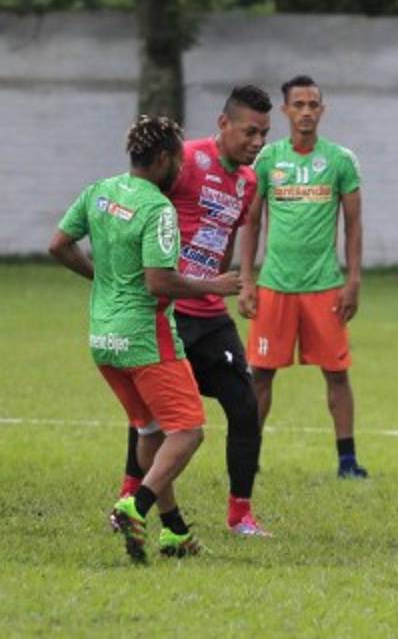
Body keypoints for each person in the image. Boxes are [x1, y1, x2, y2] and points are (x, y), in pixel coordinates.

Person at [48, 115, 241, 562]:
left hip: (103, 339)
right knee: (189, 432)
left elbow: (58, 244)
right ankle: (136, 505)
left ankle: (173, 532)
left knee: (151, 428)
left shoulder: (99, 191)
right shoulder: (158, 209)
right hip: (145, 338)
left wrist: (103, 280)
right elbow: (159, 282)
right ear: (162, 160)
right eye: (177, 159)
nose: (182, 168)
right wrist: (213, 285)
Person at [113, 86, 273, 536]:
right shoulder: (183, 160)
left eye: (263, 133)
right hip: (168, 309)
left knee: (244, 407)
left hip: (209, 312)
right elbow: (138, 200)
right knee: (152, 413)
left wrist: (222, 283)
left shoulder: (249, 181)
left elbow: (222, 239)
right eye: (249, 132)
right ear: (223, 125)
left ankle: (240, 514)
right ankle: (130, 494)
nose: (257, 142)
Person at [239, 75, 367, 478]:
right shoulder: (267, 159)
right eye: (299, 105)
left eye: (313, 105)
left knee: (337, 373)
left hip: (325, 286)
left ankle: (347, 461)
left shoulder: (340, 160)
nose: (306, 112)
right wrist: (246, 279)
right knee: (260, 375)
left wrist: (354, 280)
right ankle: (249, 456)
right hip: (274, 285)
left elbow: (354, 225)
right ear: (285, 111)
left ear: (322, 111)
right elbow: (252, 222)